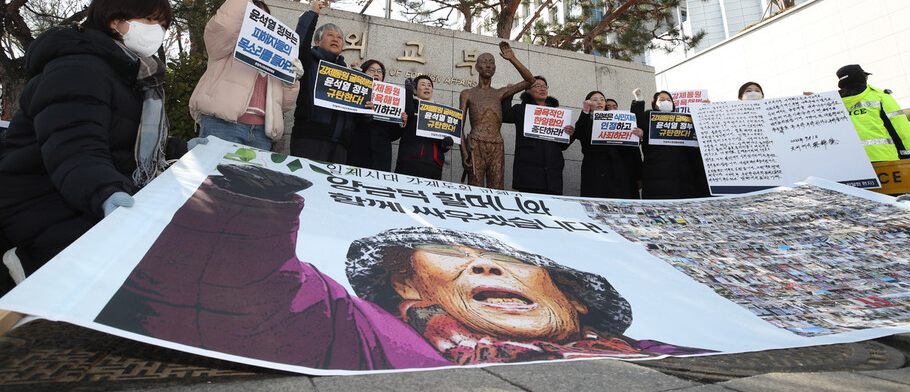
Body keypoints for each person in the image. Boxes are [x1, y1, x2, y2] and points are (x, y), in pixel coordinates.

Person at [95, 164, 709, 369]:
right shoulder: (357, 333)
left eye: (501, 260)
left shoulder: (671, 355)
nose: (484, 270)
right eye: (454, 259)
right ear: (408, 285)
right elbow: (240, 299)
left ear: (573, 297)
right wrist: (248, 208)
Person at [0, 0, 178, 282]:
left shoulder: (132, 75)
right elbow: (74, 146)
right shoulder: (78, 70)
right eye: (148, 20)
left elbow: (128, 140)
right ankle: (27, 261)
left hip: (86, 186)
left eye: (162, 24)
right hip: (43, 196)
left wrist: (187, 150)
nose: (157, 30)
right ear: (114, 20)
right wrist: (106, 192)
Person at [188, 0, 300, 151]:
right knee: (213, 177)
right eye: (253, 14)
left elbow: (283, 105)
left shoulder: (274, 59)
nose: (260, 21)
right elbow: (224, 26)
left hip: (262, 133)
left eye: (265, 18)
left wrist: (290, 79)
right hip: (223, 124)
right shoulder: (225, 47)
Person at [459, 42, 534, 190]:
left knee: (497, 189)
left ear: (495, 68)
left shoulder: (500, 93)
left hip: (497, 145)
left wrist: (512, 59)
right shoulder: (467, 93)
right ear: (477, 67)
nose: (488, 65)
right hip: (475, 145)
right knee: (475, 189)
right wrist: (464, 152)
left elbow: (530, 80)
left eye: (491, 62)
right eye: (484, 62)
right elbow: (458, 126)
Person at [290, 1, 357, 163]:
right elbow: (300, 42)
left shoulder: (349, 74)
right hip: (310, 139)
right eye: (330, 35)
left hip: (340, 145)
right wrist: (312, 15)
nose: (336, 39)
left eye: (339, 37)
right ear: (317, 42)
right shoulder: (308, 61)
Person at [502, 76, 575, 195]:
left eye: (544, 86)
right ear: (527, 90)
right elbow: (505, 116)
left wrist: (570, 134)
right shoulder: (521, 109)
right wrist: (509, 93)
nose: (542, 89)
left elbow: (563, 146)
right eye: (537, 86)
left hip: (552, 175)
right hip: (529, 172)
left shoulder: (557, 114)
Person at [632, 91, 709, 199]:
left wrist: (704, 110)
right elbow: (636, 123)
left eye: (669, 100)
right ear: (654, 104)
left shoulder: (685, 120)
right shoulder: (648, 118)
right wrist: (639, 102)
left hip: (682, 176)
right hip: (655, 175)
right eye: (662, 100)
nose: (666, 102)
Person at [837, 64, 910, 162]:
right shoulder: (880, 97)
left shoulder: (832, 103)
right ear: (861, 78)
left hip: (850, 163)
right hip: (884, 159)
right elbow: (900, 128)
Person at [570, 91, 642, 199]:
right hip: (594, 169)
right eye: (595, 99)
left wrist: (639, 134)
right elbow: (580, 133)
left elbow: (630, 144)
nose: (599, 102)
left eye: (602, 99)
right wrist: (585, 111)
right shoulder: (585, 120)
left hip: (616, 169)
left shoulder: (616, 120)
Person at [346, 59, 406, 171]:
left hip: (382, 152)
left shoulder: (391, 98)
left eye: (380, 71)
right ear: (363, 73)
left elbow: (392, 135)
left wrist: (401, 123)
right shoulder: (355, 91)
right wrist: (366, 116)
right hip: (359, 147)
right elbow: (350, 121)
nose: (376, 73)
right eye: (372, 70)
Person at [396, 75, 452, 179]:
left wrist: (446, 145)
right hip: (409, 161)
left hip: (434, 164)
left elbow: (441, 145)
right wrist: (408, 92)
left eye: (429, 85)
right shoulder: (408, 104)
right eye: (423, 85)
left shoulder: (441, 112)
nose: (427, 87)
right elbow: (406, 117)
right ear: (415, 90)